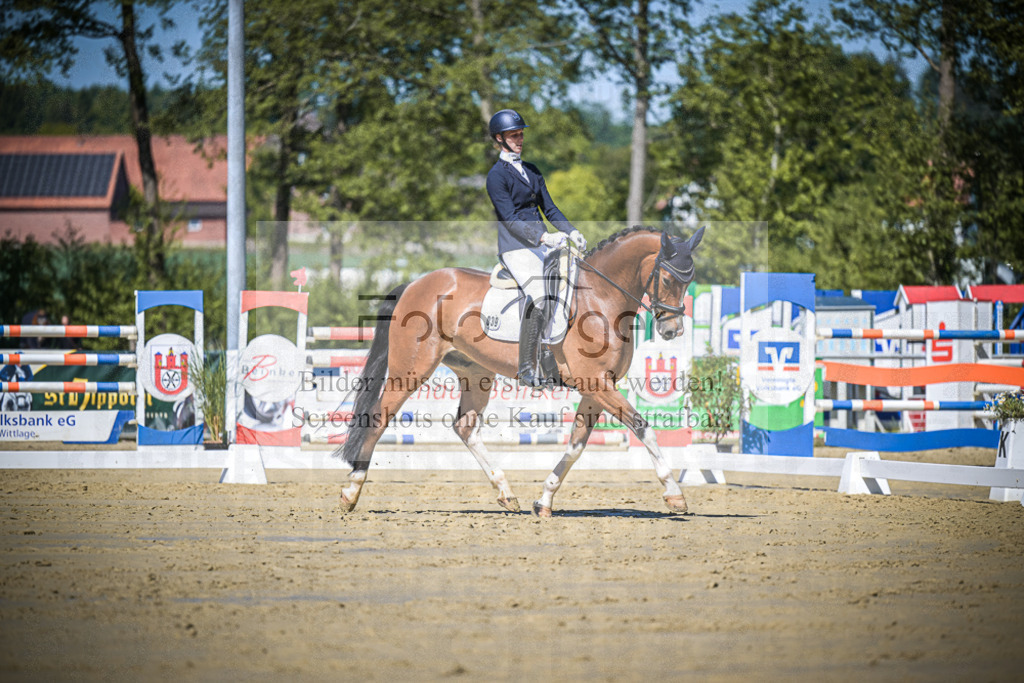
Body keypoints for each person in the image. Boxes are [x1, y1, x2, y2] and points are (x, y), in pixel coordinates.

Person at [485, 108, 587, 387]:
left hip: (542, 243)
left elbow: (550, 209)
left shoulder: (532, 170)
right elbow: (510, 219)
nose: (519, 139)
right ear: (500, 139)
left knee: (572, 282)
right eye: (513, 135)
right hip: (516, 247)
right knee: (540, 294)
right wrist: (543, 238)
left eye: (520, 134)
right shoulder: (496, 176)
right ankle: (528, 367)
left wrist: (572, 231)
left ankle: (561, 355)